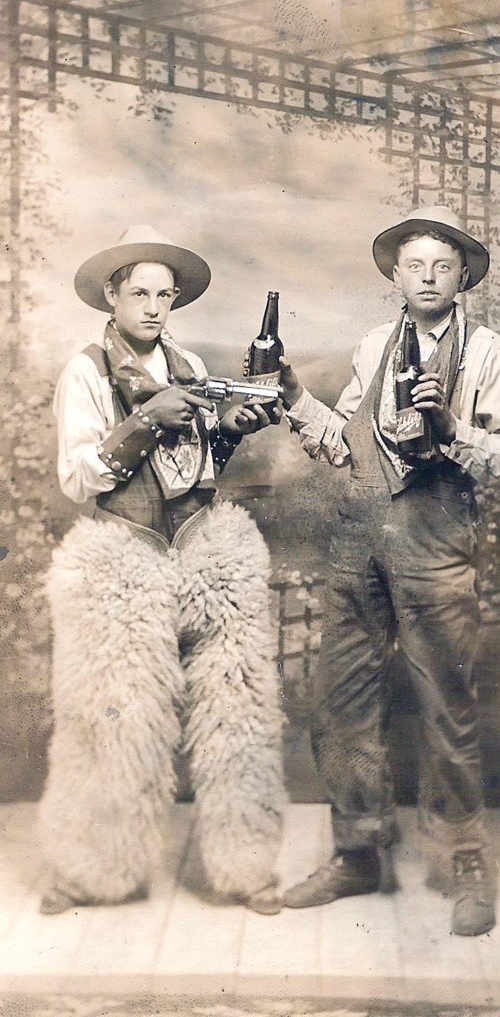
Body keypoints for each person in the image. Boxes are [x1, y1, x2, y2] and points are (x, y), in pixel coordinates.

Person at [279, 205, 500, 936]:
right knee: (342, 707)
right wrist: (294, 395)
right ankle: (358, 856)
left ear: (463, 279)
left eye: (442, 266)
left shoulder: (486, 353)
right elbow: (348, 445)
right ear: (395, 273)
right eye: (415, 264)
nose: (427, 276)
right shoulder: (372, 347)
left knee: (446, 710)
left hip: (435, 545)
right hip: (358, 546)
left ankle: (462, 863)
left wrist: (453, 431)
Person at [39, 225, 286, 917]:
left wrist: (231, 428)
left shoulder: (187, 361)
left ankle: (246, 868)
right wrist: (145, 418)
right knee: (112, 722)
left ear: (174, 300)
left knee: (238, 712)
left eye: (163, 294)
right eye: (138, 292)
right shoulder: (86, 369)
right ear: (112, 296)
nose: (152, 307)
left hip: (206, 550)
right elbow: (79, 478)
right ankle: (93, 871)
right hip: (125, 557)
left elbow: (199, 471)